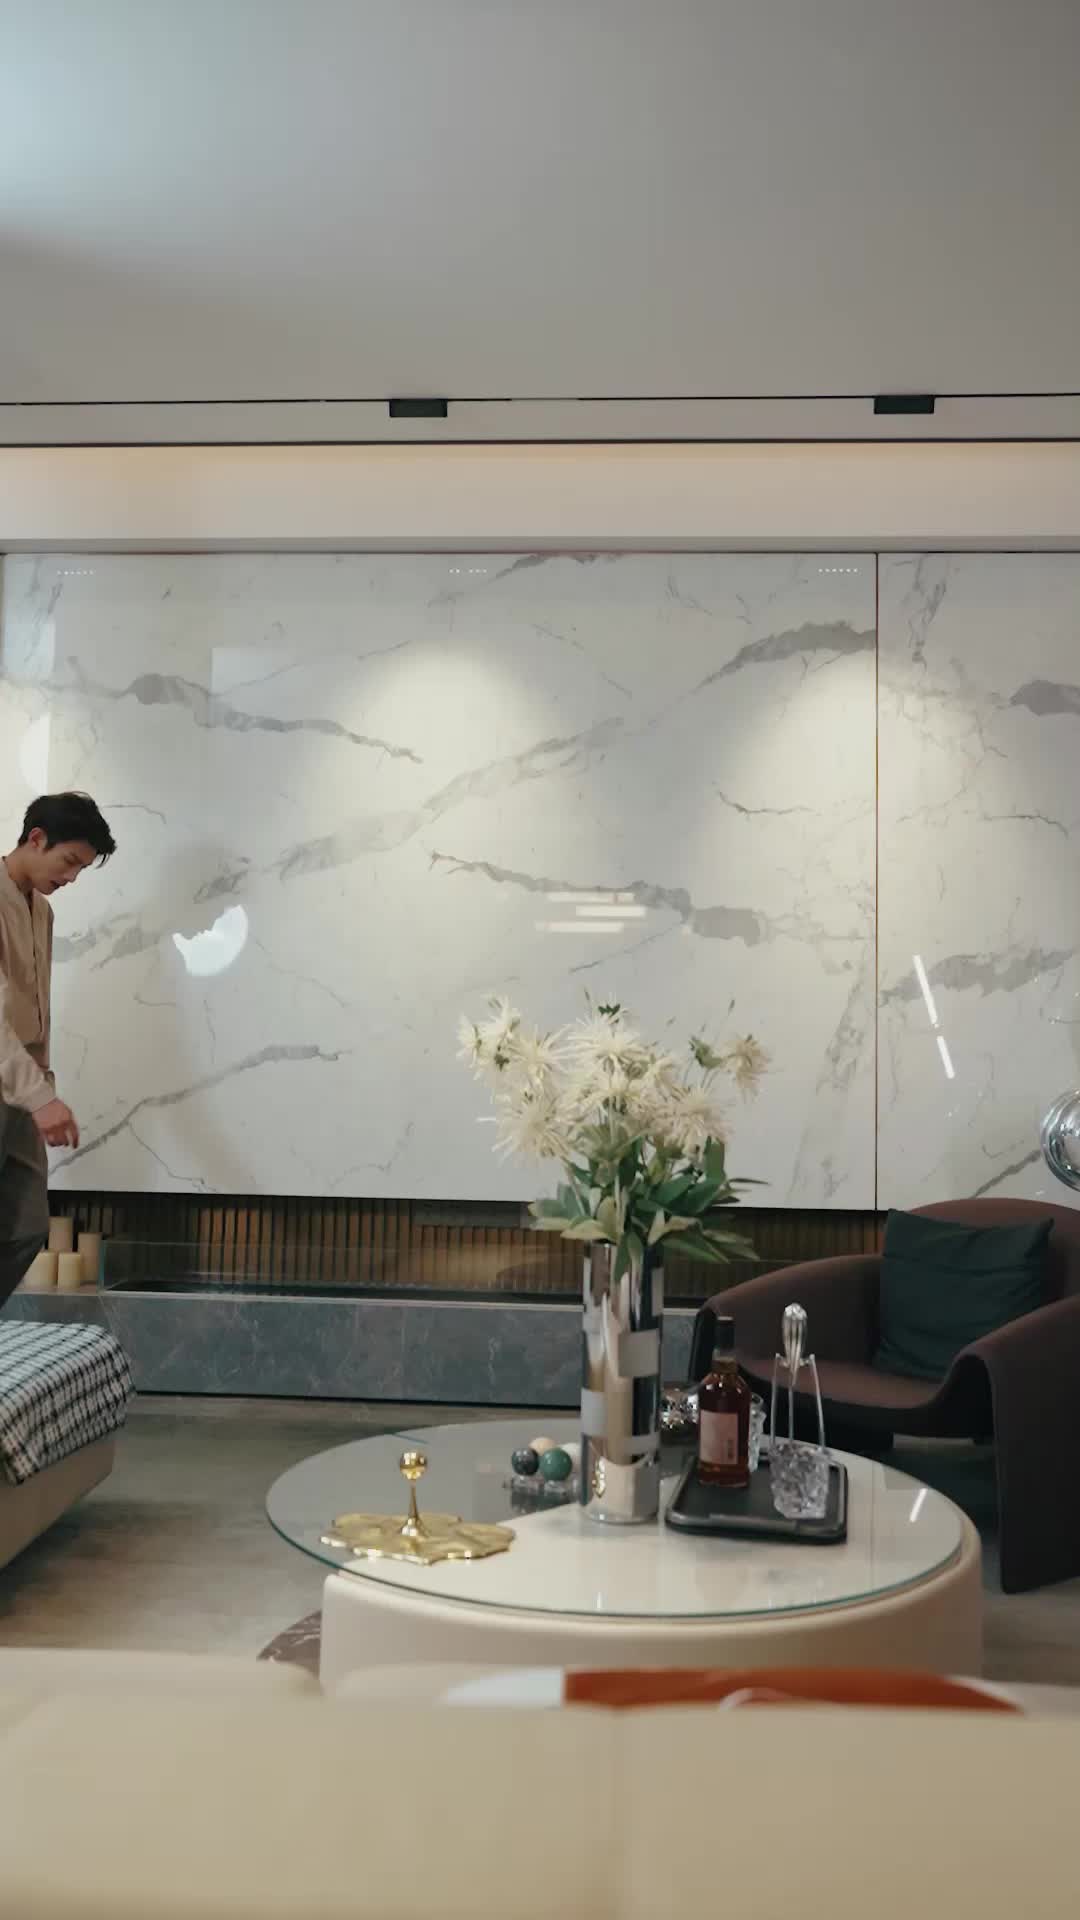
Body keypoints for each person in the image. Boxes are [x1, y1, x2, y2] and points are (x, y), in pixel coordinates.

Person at [0, 792, 115, 1307]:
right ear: (36, 838)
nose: (71, 877)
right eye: (69, 862)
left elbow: (37, 1007)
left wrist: (43, 1087)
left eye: (81, 869)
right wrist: (41, 1098)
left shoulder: (42, 912)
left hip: (23, 1085)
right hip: (13, 1079)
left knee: (25, 1226)